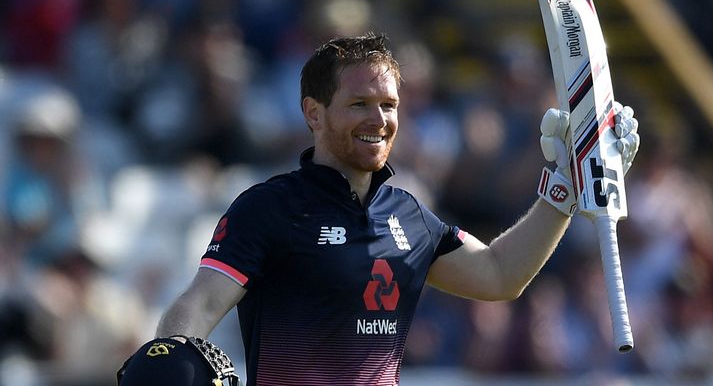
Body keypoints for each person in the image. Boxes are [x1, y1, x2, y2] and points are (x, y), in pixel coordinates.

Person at [144, 33, 639, 385]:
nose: (379, 119)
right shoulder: (269, 207)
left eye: (389, 105)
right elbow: (199, 305)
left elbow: (499, 275)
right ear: (314, 113)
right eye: (359, 103)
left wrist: (564, 188)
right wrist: (170, 359)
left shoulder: (409, 215)